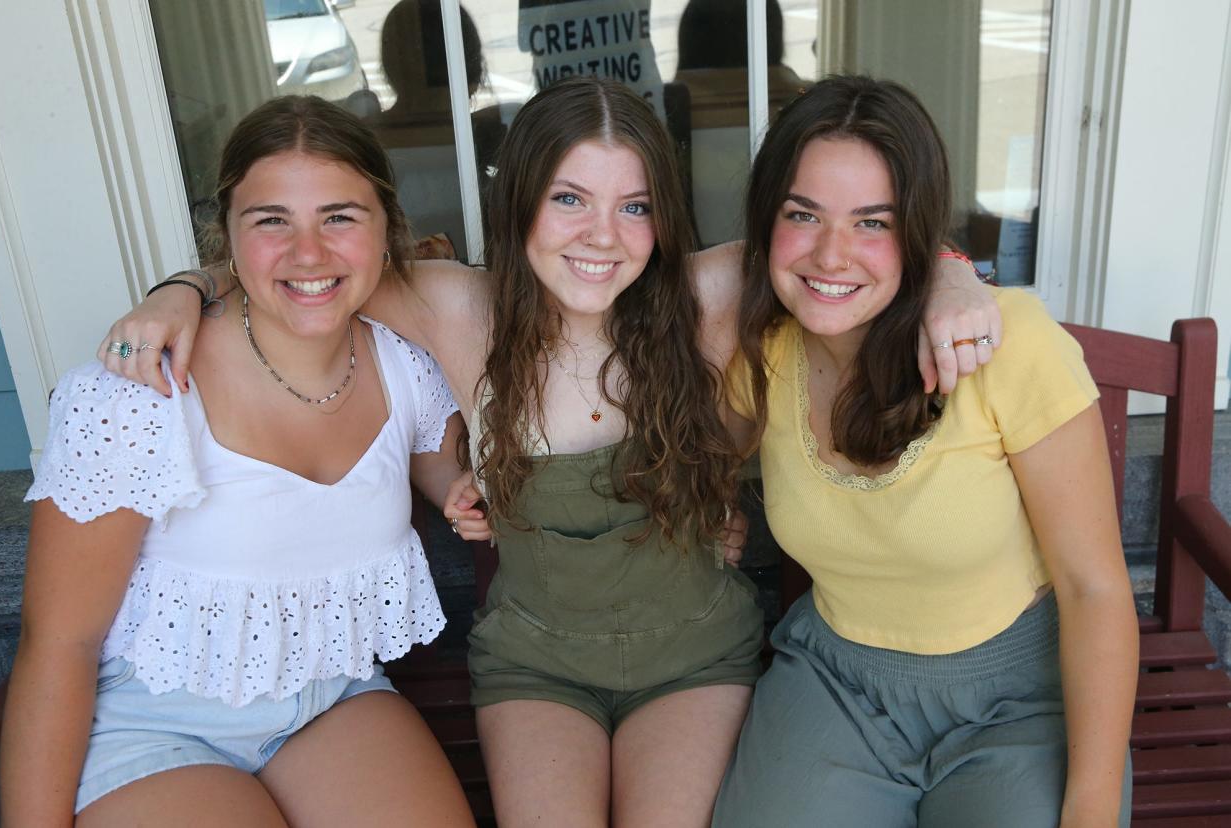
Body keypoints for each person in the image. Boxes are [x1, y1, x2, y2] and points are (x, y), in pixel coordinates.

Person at [93, 76, 1000, 826]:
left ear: (662, 218)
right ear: (519, 199)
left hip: (694, 659)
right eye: (569, 198)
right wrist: (184, 286)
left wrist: (955, 275)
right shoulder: (460, 311)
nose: (601, 237)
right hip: (537, 669)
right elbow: (310, 259)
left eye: (632, 206)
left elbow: (843, 251)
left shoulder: (708, 295)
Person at [0, 96, 475, 826]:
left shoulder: (410, 364)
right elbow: (59, 644)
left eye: (340, 216)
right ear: (227, 234)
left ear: (387, 230)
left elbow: (432, 460)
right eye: (271, 220)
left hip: (332, 695)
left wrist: (458, 490)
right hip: (155, 724)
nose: (308, 253)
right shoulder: (136, 397)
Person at [713, 75, 1137, 827]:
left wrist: (1093, 810)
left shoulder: (1004, 344)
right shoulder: (761, 353)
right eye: (802, 214)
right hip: (838, 683)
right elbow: (637, 293)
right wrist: (715, 501)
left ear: (916, 231)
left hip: (1023, 695)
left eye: (873, 223)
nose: (832, 254)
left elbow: (1096, 589)